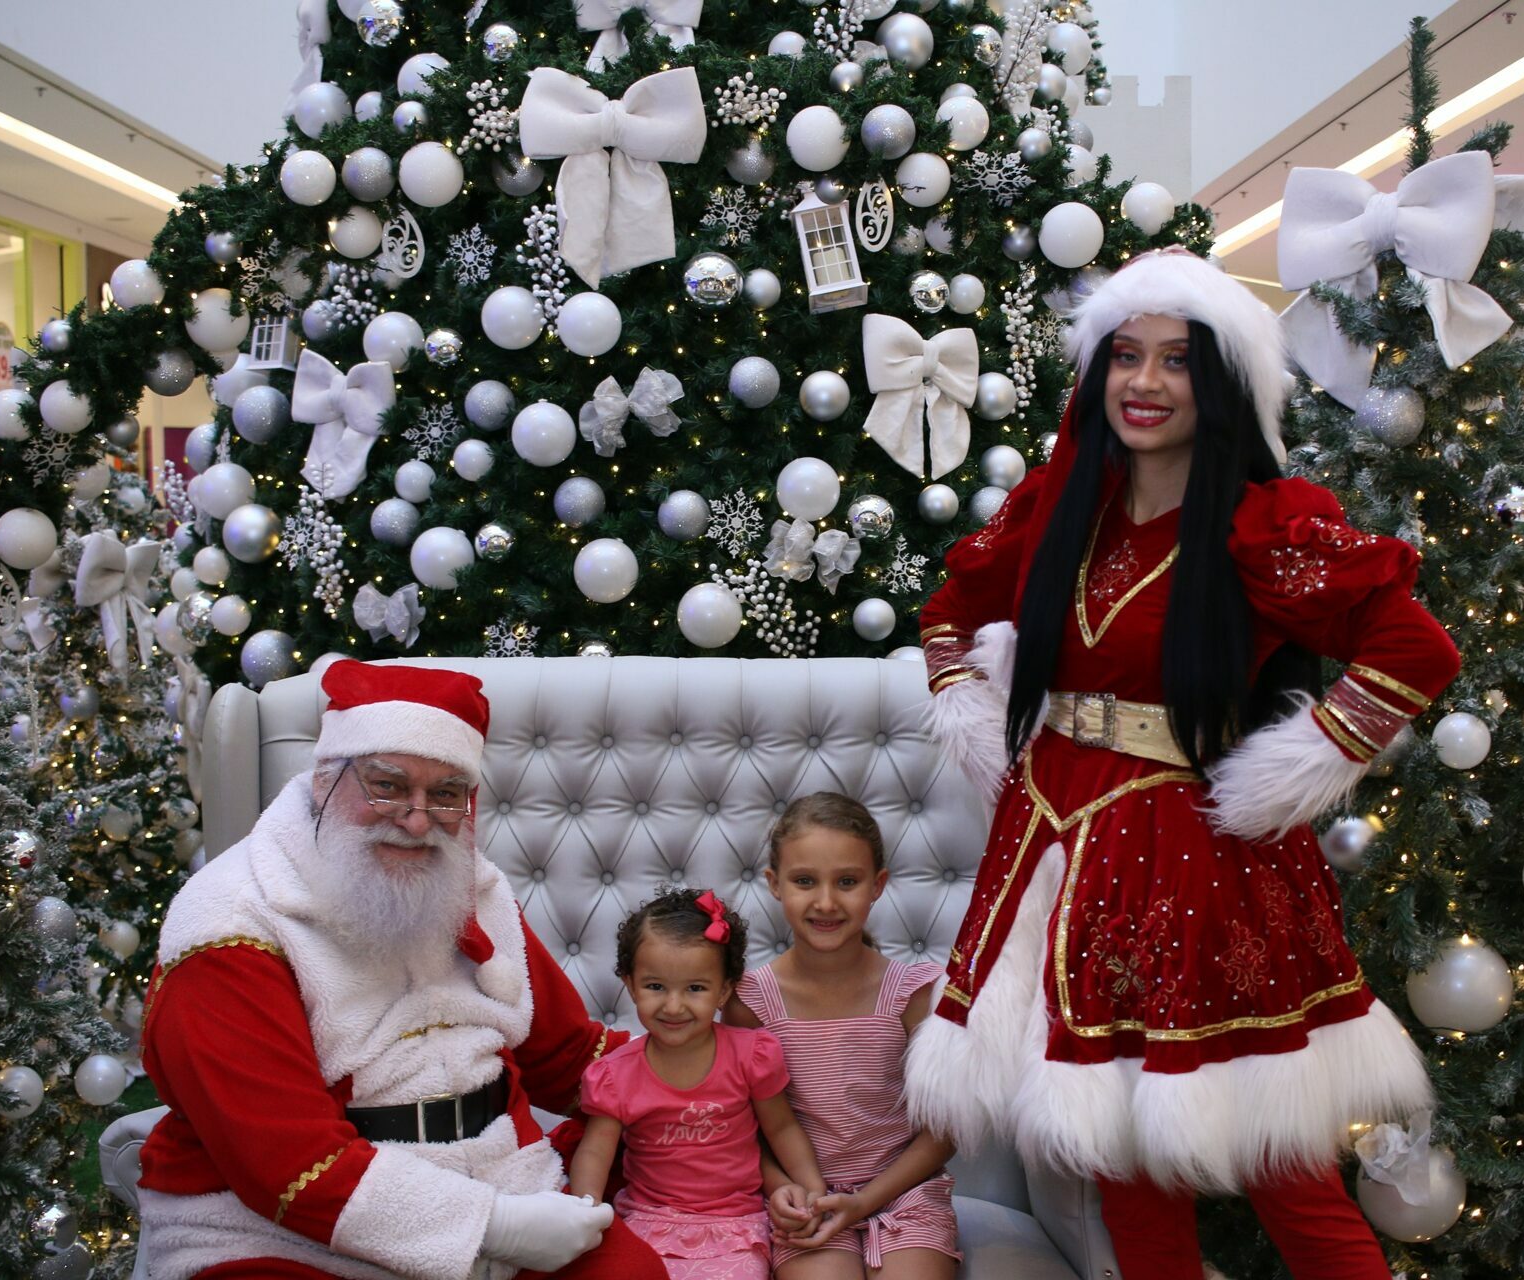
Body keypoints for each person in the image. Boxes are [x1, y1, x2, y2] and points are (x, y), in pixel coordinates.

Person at [907, 248, 1462, 1279]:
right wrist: (971, 712)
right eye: (1126, 355)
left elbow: (1417, 649)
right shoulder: (1062, 508)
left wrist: (1297, 764)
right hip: (1055, 850)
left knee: (1285, 1165)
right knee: (1123, 1160)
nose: (1145, 382)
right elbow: (948, 612)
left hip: (1197, 865)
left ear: (1220, 383)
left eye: (1176, 360)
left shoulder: (1261, 524)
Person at [138, 659, 665, 1280]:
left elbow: (567, 1055)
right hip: (282, 1230)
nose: (417, 821)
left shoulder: (464, 888)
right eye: (387, 785)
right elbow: (281, 1161)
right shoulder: (231, 925)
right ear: (325, 781)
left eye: (445, 795)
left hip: (507, 1179)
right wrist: (495, 1227)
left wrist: (712, 1070)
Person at [729, 793, 960, 1280]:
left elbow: (945, 1131)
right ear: (774, 884)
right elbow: (739, 1125)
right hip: (806, 1200)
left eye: (847, 882)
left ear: (878, 885)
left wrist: (864, 1201)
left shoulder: (914, 994)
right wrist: (779, 1188)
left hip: (904, 1195)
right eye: (805, 881)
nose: (826, 902)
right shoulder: (750, 1003)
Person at [569, 888, 826, 1279]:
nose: (674, 1006)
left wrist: (812, 1191)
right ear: (630, 984)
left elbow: (782, 1128)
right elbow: (594, 1153)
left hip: (735, 1223)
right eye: (655, 987)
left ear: (724, 990)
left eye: (695, 988)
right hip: (648, 1221)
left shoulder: (749, 1055)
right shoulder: (615, 1075)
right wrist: (584, 1217)